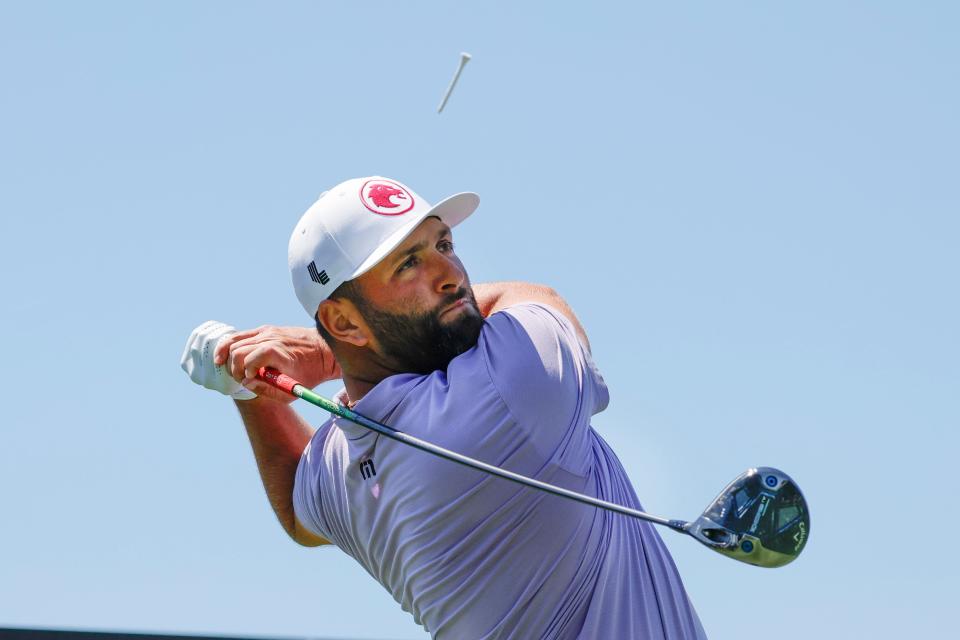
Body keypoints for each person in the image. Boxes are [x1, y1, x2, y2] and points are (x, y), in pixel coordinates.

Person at [180, 177, 707, 639]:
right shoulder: (512, 388)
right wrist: (319, 355)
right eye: (409, 263)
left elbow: (299, 512)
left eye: (443, 243)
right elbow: (535, 297)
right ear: (342, 322)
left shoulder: (338, 470)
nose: (451, 273)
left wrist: (247, 393)